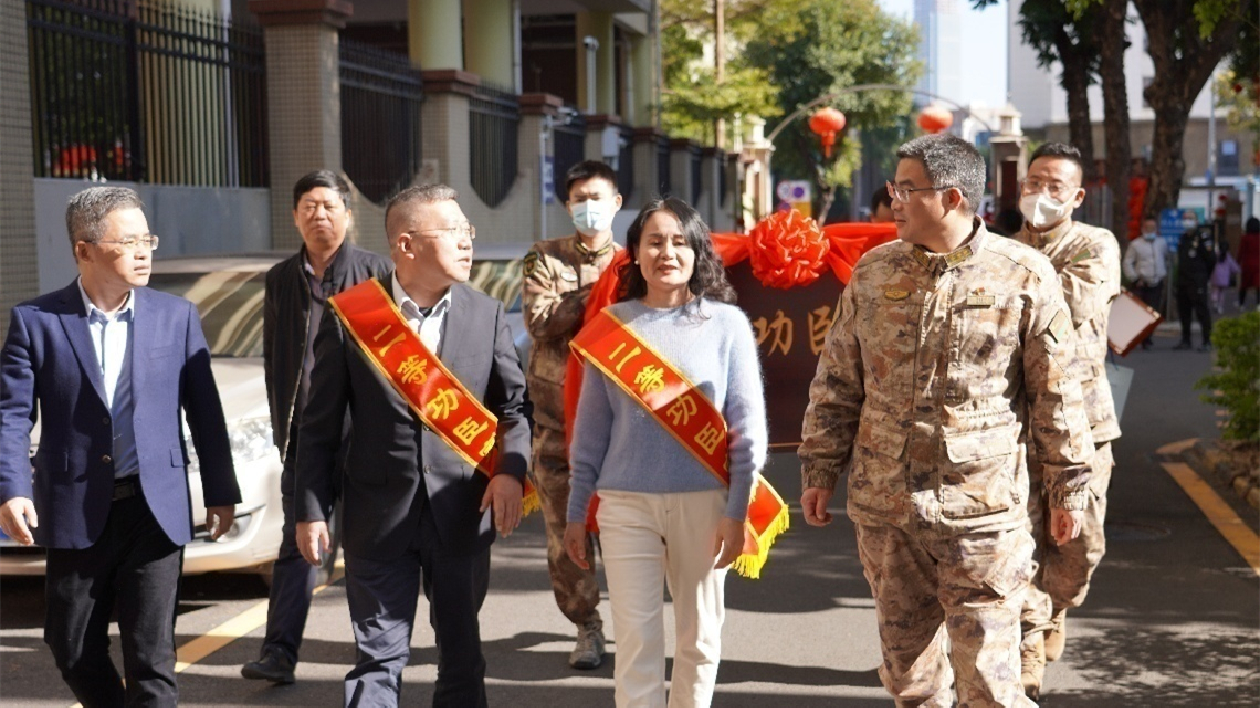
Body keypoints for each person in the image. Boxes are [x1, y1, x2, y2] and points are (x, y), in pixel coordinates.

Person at [799, 134, 1093, 708]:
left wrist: (1068, 487)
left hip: (981, 512)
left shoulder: (1023, 274)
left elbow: (1057, 393)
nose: (894, 202)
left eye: (906, 190)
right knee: (911, 681)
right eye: (894, 189)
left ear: (952, 197)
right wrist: (819, 466)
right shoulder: (873, 273)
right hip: (887, 509)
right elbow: (837, 380)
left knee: (989, 684)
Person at [0, 186, 239, 706]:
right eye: (127, 240)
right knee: (70, 647)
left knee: (152, 660)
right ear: (84, 250)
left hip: (154, 510)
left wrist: (221, 490)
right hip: (74, 508)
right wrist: (12, 489)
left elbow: (204, 411)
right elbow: (11, 415)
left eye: (146, 238)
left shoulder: (176, 316)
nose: (143, 250)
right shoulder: (36, 321)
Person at [293, 184, 530, 707]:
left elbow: (513, 410)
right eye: (454, 233)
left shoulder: (485, 313)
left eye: (468, 231)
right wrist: (310, 510)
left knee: (462, 659)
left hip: (462, 514)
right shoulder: (353, 315)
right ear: (406, 244)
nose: (469, 243)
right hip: (377, 517)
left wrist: (511, 471)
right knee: (377, 660)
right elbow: (319, 428)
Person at [564, 197, 767, 707]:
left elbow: (747, 429)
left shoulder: (727, 325)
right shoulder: (611, 327)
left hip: (706, 504)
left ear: (698, 251)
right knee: (636, 639)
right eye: (654, 241)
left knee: (698, 639)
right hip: (625, 503)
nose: (667, 252)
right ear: (634, 252)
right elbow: (590, 433)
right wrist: (574, 513)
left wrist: (737, 511)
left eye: (679, 241)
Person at [242, 171, 392, 685]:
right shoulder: (281, 277)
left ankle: (374, 659)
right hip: (304, 436)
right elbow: (275, 358)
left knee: (368, 551)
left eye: (328, 206)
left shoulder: (376, 273)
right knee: (296, 546)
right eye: (308, 205)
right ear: (294, 216)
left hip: (363, 437)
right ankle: (278, 654)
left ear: (348, 214)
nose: (318, 215)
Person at [1011, 142, 1122, 697]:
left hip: (1084, 423)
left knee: (1081, 545)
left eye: (1055, 186)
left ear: (1077, 196)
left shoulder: (1095, 244)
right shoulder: (1003, 249)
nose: (1041, 193)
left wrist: (1010, 270)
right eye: (1034, 181)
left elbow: (1070, 305)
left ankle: (1057, 606)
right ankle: (1027, 648)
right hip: (1018, 424)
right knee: (1024, 542)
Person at [522, 160, 623, 669]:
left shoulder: (636, 264)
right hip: (559, 420)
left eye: (598, 196)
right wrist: (601, 294)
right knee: (567, 533)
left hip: (622, 426)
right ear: (568, 204)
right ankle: (586, 625)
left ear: (617, 203)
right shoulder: (544, 259)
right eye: (580, 196)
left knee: (627, 532)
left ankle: (633, 621)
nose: (589, 205)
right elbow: (541, 322)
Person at [1123, 218, 1168, 349]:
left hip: (1157, 282)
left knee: (1153, 311)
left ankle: (1147, 337)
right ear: (1143, 229)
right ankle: (1141, 337)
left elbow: (1165, 258)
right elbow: (1127, 262)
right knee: (1141, 312)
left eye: (1153, 228)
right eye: (1148, 228)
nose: (1150, 230)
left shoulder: (1162, 243)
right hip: (1142, 282)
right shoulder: (1136, 245)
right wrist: (1134, 278)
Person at [1175, 225, 1217, 350]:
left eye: (1190, 218)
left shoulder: (1203, 238)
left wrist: (1202, 276)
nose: (1187, 221)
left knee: (1201, 310)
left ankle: (1206, 341)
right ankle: (1186, 340)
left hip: (1197, 281)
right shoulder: (1183, 238)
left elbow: (1211, 260)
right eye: (1186, 218)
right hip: (1183, 280)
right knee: (1184, 311)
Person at [1210, 242, 1241, 314]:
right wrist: (1238, 270)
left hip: (1215, 276)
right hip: (1224, 279)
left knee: (1215, 291)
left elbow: (1210, 263)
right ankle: (1220, 306)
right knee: (1222, 293)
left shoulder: (1216, 255)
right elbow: (1234, 267)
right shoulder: (1228, 257)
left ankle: (1215, 302)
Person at [1237, 217, 1260, 308]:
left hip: (1247, 265)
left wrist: (1237, 263)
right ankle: (1258, 305)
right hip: (1258, 265)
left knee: (1244, 286)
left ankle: (1241, 304)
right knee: (1258, 286)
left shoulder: (1245, 238)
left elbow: (1241, 252)